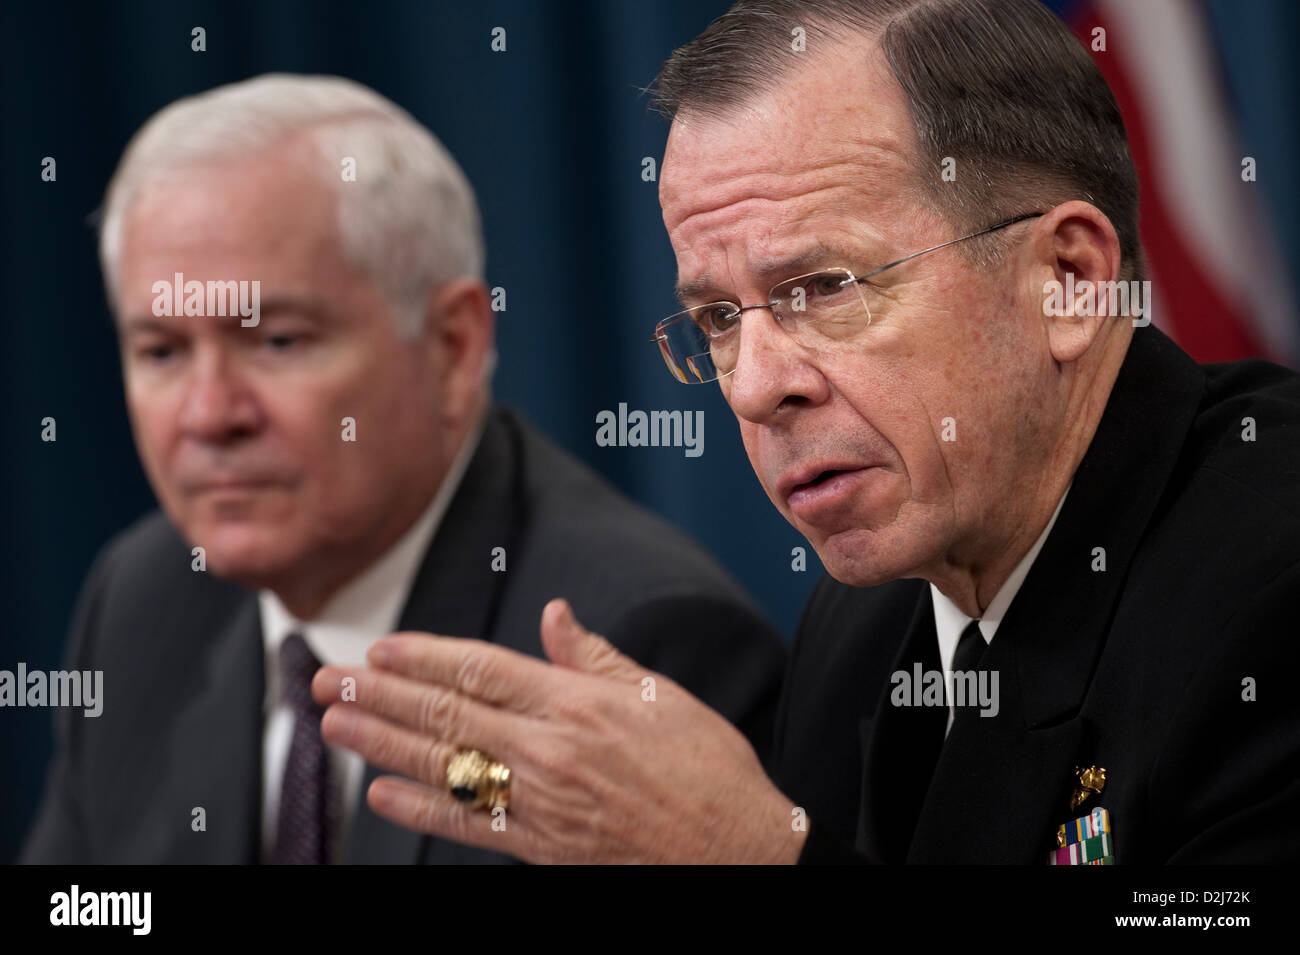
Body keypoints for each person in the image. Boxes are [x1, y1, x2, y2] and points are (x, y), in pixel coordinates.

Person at [311, 0, 1300, 864]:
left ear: (1069, 280)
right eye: (716, 320)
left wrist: (750, 857)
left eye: (822, 288)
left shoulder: (1273, 584)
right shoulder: (860, 624)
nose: (752, 388)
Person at [19, 73, 786, 865]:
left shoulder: (635, 644)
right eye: (162, 352)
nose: (210, 413)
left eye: (277, 340)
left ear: (452, 346)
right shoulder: (143, 599)